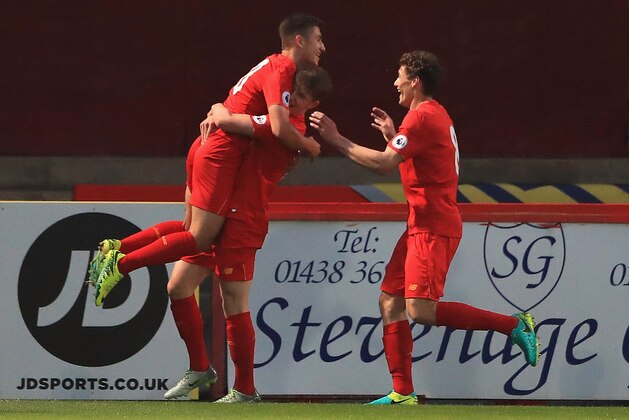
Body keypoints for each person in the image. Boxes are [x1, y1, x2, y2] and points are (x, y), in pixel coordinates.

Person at [90, 64, 332, 403]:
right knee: (178, 285)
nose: (292, 101)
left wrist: (217, 109)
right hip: (226, 208)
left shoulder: (284, 126)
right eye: (291, 94)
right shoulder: (277, 119)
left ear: (314, 104)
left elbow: (228, 118)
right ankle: (200, 368)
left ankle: (245, 389)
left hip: (243, 219)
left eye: (302, 98)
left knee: (234, 302)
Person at [309, 50, 539, 405]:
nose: (395, 83)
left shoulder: (422, 118)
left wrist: (337, 139)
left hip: (433, 226)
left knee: (421, 310)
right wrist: (392, 133)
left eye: (400, 76)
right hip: (421, 223)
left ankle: (514, 326)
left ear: (415, 81)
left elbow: (386, 164)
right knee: (390, 301)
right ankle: (402, 392)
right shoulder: (429, 116)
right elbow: (413, 158)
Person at [89, 13, 326, 307]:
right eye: (318, 39)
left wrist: (219, 110)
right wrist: (307, 145)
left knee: (189, 232)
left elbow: (239, 111)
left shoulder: (270, 65)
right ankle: (120, 265)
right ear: (299, 41)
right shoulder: (282, 70)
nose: (322, 46)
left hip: (207, 146)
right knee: (199, 239)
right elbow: (278, 127)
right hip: (221, 154)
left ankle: (116, 247)